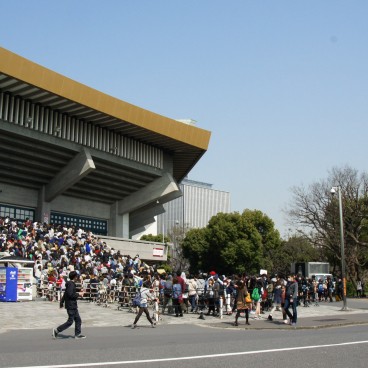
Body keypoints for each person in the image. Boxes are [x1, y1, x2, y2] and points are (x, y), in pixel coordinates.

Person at [52, 271, 86, 339]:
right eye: (77, 276)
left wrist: (61, 302)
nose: (78, 277)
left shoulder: (69, 284)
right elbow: (70, 295)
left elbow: (65, 294)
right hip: (71, 305)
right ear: (75, 277)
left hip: (72, 305)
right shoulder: (71, 284)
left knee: (78, 320)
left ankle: (77, 334)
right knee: (70, 321)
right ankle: (57, 330)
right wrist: (79, 294)